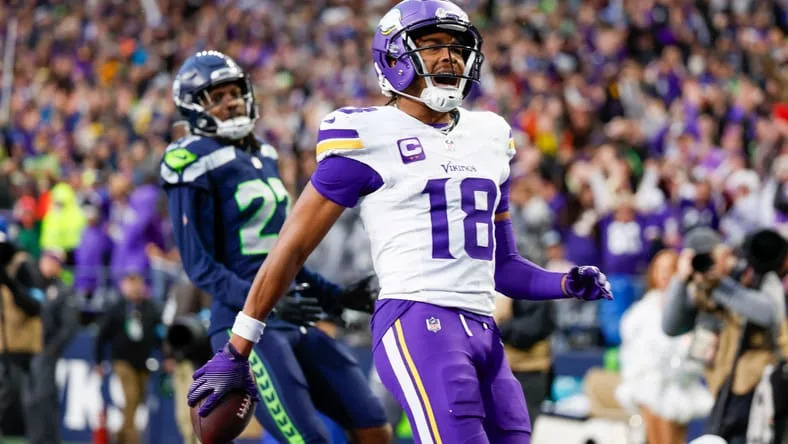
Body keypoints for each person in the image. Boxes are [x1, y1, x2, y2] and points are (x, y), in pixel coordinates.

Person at [187, 3, 613, 443]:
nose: (450, 56)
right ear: (393, 58)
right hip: (418, 320)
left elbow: (503, 267)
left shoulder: (489, 135)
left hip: (484, 328)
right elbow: (292, 247)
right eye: (432, 45)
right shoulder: (366, 135)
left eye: (457, 47)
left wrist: (565, 283)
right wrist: (239, 345)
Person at [161, 51, 391, 443]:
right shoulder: (189, 159)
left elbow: (285, 253)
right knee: (308, 440)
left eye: (234, 92)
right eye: (217, 97)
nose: (231, 102)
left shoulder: (263, 154)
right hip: (243, 322)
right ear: (193, 107)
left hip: (291, 315)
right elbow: (200, 267)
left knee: (373, 426)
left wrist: (335, 297)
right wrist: (266, 304)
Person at [94, 269, 162, 444]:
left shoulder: (150, 308)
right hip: (122, 360)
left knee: (138, 400)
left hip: (143, 361)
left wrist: (166, 355)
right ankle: (132, 440)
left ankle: (121, 436)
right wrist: (99, 361)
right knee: (131, 397)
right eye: (130, 284)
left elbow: (158, 334)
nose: (134, 288)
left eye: (137, 283)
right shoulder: (117, 308)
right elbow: (102, 336)